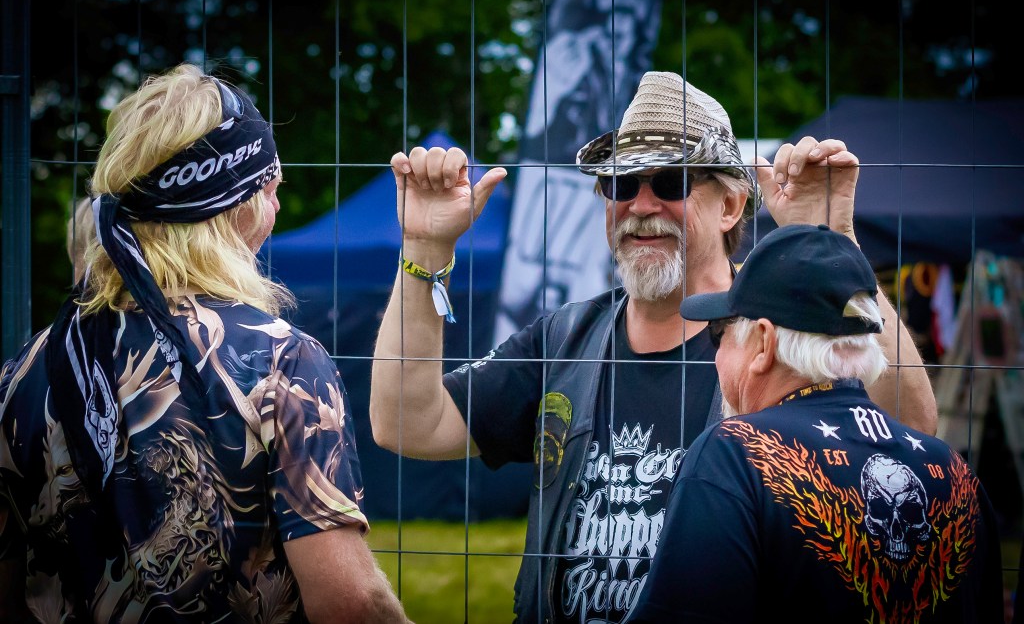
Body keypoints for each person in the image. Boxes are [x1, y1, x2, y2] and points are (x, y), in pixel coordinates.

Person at [369, 71, 937, 623]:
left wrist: (837, 246)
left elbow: (910, 425)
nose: (641, 206)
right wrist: (425, 246)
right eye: (621, 184)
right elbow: (406, 423)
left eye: (670, 183)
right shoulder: (566, 337)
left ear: (729, 207)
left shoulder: (780, 333)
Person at [0, 63, 409, 624]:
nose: (277, 208)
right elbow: (349, 602)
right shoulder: (281, 360)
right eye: (270, 189)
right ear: (234, 205)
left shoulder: (29, 367)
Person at [627, 223, 1004, 622]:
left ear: (763, 342)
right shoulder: (955, 474)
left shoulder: (735, 454)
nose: (716, 356)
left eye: (720, 334)